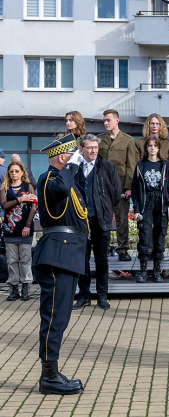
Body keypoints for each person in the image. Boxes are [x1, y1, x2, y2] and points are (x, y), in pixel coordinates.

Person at [33, 134, 88, 395]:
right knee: (54, 318)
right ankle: (49, 376)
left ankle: (51, 373)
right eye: (73, 156)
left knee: (60, 318)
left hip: (68, 254)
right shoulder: (49, 179)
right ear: (63, 157)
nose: (77, 161)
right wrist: (70, 166)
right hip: (58, 254)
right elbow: (62, 190)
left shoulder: (65, 179)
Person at [72, 134, 120, 310]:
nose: (93, 150)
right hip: (80, 221)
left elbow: (116, 192)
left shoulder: (107, 166)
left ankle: (102, 296)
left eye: (96, 147)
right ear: (82, 149)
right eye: (90, 147)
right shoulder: (75, 167)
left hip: (100, 221)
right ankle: (83, 296)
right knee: (81, 260)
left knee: (101, 260)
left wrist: (105, 209)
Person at [131, 136, 169, 284]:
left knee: (159, 237)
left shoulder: (165, 165)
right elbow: (135, 190)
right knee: (144, 235)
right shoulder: (140, 166)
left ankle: (157, 271)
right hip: (146, 203)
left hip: (161, 203)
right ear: (146, 148)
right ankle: (143, 271)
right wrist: (136, 209)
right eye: (149, 145)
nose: (152, 148)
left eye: (154, 146)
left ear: (158, 148)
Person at [98, 109, 137, 262]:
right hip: (102, 187)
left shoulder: (128, 140)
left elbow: (131, 165)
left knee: (122, 220)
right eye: (104, 121)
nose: (106, 123)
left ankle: (123, 249)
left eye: (108, 120)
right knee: (103, 218)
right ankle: (104, 248)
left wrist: (129, 187)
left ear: (117, 120)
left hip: (120, 187)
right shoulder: (100, 140)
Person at [2, 160, 37, 301]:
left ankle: (26, 288)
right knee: (11, 261)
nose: (14, 173)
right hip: (9, 231)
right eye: (11, 171)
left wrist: (27, 226)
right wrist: (22, 199)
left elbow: (34, 207)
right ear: (8, 173)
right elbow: (4, 206)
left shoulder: (28, 186)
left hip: (25, 230)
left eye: (17, 171)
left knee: (25, 260)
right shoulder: (4, 187)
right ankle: (14, 288)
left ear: (22, 172)